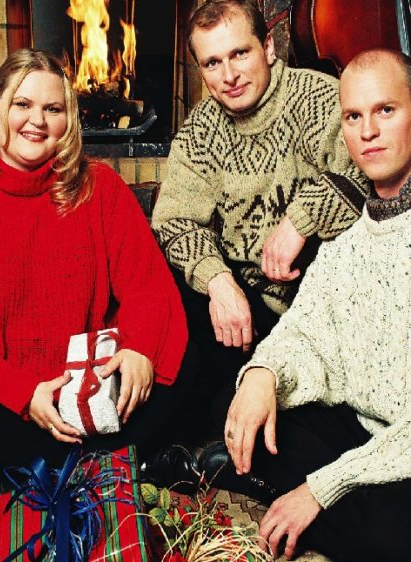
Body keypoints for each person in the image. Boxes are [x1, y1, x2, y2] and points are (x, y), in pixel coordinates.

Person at [0, 48, 197, 489]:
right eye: (22, 105)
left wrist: (139, 351)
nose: (37, 121)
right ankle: (107, 465)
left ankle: (63, 468)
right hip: (6, 395)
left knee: (183, 346)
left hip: (91, 385)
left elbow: (147, 285)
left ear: (69, 121)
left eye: (53, 109)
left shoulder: (101, 187)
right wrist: (24, 394)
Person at [223, 49, 411, 561]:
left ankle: (291, 497)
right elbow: (303, 332)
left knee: (393, 538)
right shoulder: (349, 239)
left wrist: (322, 488)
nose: (368, 131)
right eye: (353, 116)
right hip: (369, 434)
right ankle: (324, 499)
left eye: (385, 110)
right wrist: (262, 374)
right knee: (241, 407)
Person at [151, 0, 369, 426]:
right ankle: (126, 445)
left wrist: (301, 220)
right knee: (167, 305)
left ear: (268, 47)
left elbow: (369, 174)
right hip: (248, 301)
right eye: (212, 63)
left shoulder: (317, 97)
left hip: (320, 307)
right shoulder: (201, 129)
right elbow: (174, 220)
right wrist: (218, 281)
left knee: (213, 397)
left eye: (240, 53)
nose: (229, 76)